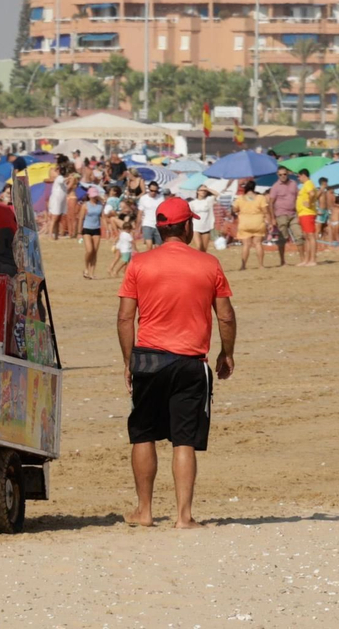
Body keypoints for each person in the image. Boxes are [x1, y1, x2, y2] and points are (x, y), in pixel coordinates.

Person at [117, 197, 237, 528]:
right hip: (190, 362)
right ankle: (183, 516)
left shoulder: (139, 263)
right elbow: (225, 316)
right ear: (186, 227)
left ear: (160, 228)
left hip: (149, 359)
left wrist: (129, 361)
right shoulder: (208, 263)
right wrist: (227, 353)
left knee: (143, 434)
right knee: (183, 439)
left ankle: (144, 511)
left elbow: (126, 318)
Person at [266, 167, 300, 266]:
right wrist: (272, 218)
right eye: (280, 174)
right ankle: (282, 261)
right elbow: (271, 203)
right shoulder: (275, 186)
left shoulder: (293, 184)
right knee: (282, 238)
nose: (283, 176)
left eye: (284, 174)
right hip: (281, 214)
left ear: (287, 174)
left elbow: (298, 198)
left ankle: (303, 259)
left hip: (293, 214)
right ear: (278, 175)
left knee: (299, 236)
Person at [232, 179, 268, 269]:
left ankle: (243, 266)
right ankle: (261, 265)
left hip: (245, 223)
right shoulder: (260, 198)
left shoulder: (240, 198)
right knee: (258, 243)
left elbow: (234, 209)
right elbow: (265, 211)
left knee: (246, 245)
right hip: (258, 222)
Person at [295, 169, 319, 267]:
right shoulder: (305, 185)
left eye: (299, 176)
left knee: (310, 236)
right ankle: (307, 259)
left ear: (303, 175)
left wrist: (309, 202)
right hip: (303, 213)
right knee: (307, 237)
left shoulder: (308, 183)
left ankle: (312, 259)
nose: (298, 178)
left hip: (307, 213)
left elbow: (312, 193)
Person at [81, 188, 104, 278]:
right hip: (87, 228)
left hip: (96, 229)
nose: (94, 197)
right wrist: (79, 232)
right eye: (93, 196)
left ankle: (92, 272)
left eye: (95, 196)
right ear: (89, 196)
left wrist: (108, 229)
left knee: (95, 251)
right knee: (89, 250)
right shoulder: (85, 205)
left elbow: (103, 217)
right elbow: (81, 218)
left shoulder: (100, 205)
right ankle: (86, 268)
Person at [136, 182, 164, 250]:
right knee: (149, 246)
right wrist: (137, 227)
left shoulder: (161, 198)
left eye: (155, 191)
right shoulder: (143, 198)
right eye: (151, 190)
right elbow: (140, 213)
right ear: (148, 189)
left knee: (158, 247)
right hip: (147, 224)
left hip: (158, 225)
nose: (153, 192)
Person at [189, 186, 216, 254]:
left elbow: (217, 194)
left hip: (206, 227)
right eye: (201, 190)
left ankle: (203, 263)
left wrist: (207, 189)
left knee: (204, 250)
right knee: (199, 247)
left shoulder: (208, 200)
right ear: (197, 191)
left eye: (204, 191)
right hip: (196, 227)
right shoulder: (192, 203)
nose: (203, 191)